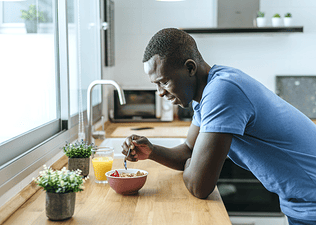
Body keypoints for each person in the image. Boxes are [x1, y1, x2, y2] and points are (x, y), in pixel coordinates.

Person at [121, 28, 316, 224]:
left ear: (190, 68)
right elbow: (189, 150)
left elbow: (199, 186)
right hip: (301, 204)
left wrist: (196, 164)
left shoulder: (222, 91)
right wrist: (152, 151)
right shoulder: (207, 92)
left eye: (164, 82)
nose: (160, 92)